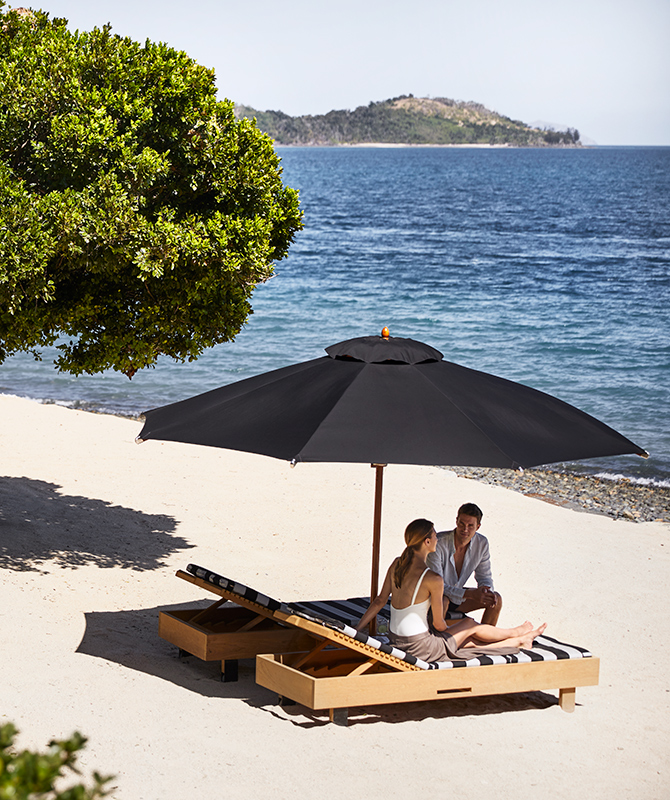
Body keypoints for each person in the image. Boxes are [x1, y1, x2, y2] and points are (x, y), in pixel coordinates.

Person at [356, 518, 546, 663]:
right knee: (470, 625)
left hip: (396, 639)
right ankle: (516, 634)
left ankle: (519, 639)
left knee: (465, 637)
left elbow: (380, 601)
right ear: (427, 542)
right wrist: (452, 632)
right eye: (435, 536)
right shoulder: (432, 578)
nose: (438, 539)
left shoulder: (397, 564)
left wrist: (357, 629)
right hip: (420, 647)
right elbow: (439, 625)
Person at [426, 502, 502, 625]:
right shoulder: (439, 543)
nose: (465, 529)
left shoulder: (482, 543)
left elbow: (485, 577)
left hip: (457, 597)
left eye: (470, 525)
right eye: (462, 523)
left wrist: (485, 590)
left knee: (495, 599)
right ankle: (436, 640)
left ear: (478, 526)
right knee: (443, 601)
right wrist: (469, 594)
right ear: (456, 521)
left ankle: (485, 639)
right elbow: (436, 586)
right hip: (433, 597)